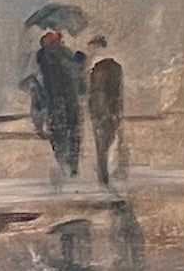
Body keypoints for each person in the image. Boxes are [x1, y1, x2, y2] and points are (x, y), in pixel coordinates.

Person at [22, 26, 89, 179]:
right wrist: (81, 58)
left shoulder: (41, 57)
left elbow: (35, 80)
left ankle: (64, 162)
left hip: (53, 100)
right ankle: (73, 165)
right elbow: (76, 70)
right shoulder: (62, 53)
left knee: (58, 132)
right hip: (69, 98)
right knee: (73, 130)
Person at [88, 39, 125, 187]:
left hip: (100, 106)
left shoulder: (97, 68)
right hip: (109, 106)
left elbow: (95, 91)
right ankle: (104, 173)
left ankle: (103, 173)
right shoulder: (116, 68)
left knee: (101, 141)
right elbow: (118, 92)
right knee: (107, 139)